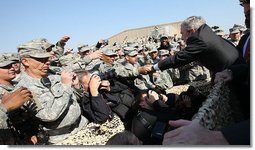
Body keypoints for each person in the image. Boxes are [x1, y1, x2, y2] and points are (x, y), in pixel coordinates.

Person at [163, 0, 250, 145]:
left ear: (191, 31)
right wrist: (232, 72)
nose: (246, 17)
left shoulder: (204, 42)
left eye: (249, 13)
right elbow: (247, 67)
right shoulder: (246, 39)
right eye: (246, 13)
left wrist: (221, 137)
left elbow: (179, 59)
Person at [15, 39, 88, 144]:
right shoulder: (23, 89)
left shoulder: (54, 75)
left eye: (46, 58)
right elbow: (49, 115)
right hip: (64, 139)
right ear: (25, 61)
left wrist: (76, 87)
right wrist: (66, 86)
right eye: (40, 59)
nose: (47, 62)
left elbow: (76, 99)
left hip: (82, 126)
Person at [146, 16, 239, 78]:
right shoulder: (206, 33)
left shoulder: (200, 39)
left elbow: (179, 58)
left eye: (182, 33)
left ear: (192, 31)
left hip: (235, 73)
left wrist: (154, 68)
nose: (182, 37)